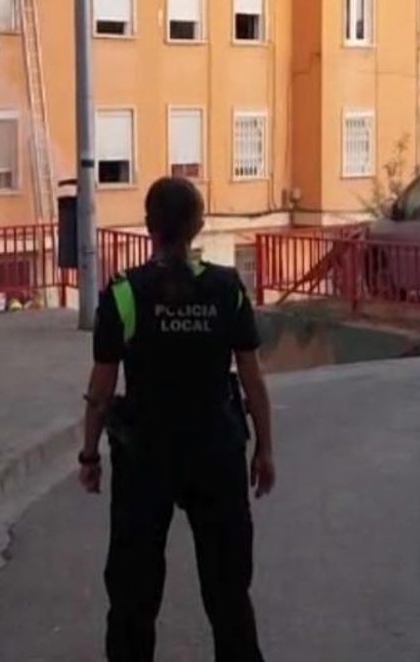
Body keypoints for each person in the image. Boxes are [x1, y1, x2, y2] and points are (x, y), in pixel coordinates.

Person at [78, 177, 275, 662]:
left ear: (149, 227)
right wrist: (264, 448)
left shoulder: (125, 294)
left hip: (146, 457)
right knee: (228, 591)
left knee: (133, 594)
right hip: (216, 451)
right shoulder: (226, 288)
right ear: (199, 225)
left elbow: (101, 388)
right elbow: (252, 378)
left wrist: (90, 454)